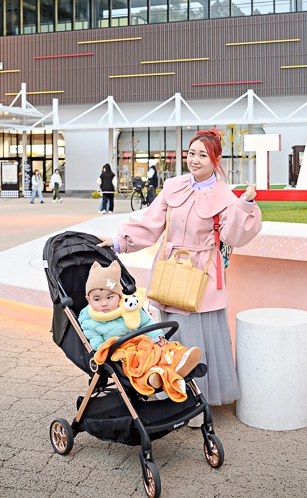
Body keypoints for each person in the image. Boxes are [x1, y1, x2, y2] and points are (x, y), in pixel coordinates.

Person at [98, 128, 261, 423]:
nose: (195, 159)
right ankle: (170, 396)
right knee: (170, 337)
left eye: (202, 155)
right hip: (170, 272)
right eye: (191, 153)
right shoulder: (173, 187)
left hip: (201, 278)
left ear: (215, 160)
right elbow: (150, 225)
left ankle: (197, 403)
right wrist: (120, 242)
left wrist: (245, 204)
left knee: (197, 340)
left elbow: (232, 234)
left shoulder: (224, 196)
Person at [78, 261, 202, 401]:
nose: (104, 303)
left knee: (164, 347)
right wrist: (111, 351)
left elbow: (146, 323)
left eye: (109, 297)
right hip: (123, 351)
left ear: (119, 297)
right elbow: (98, 346)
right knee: (137, 362)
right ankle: (152, 377)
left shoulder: (130, 307)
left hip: (143, 341)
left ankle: (180, 358)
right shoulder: (89, 321)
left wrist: (157, 336)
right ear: (88, 300)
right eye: (97, 299)